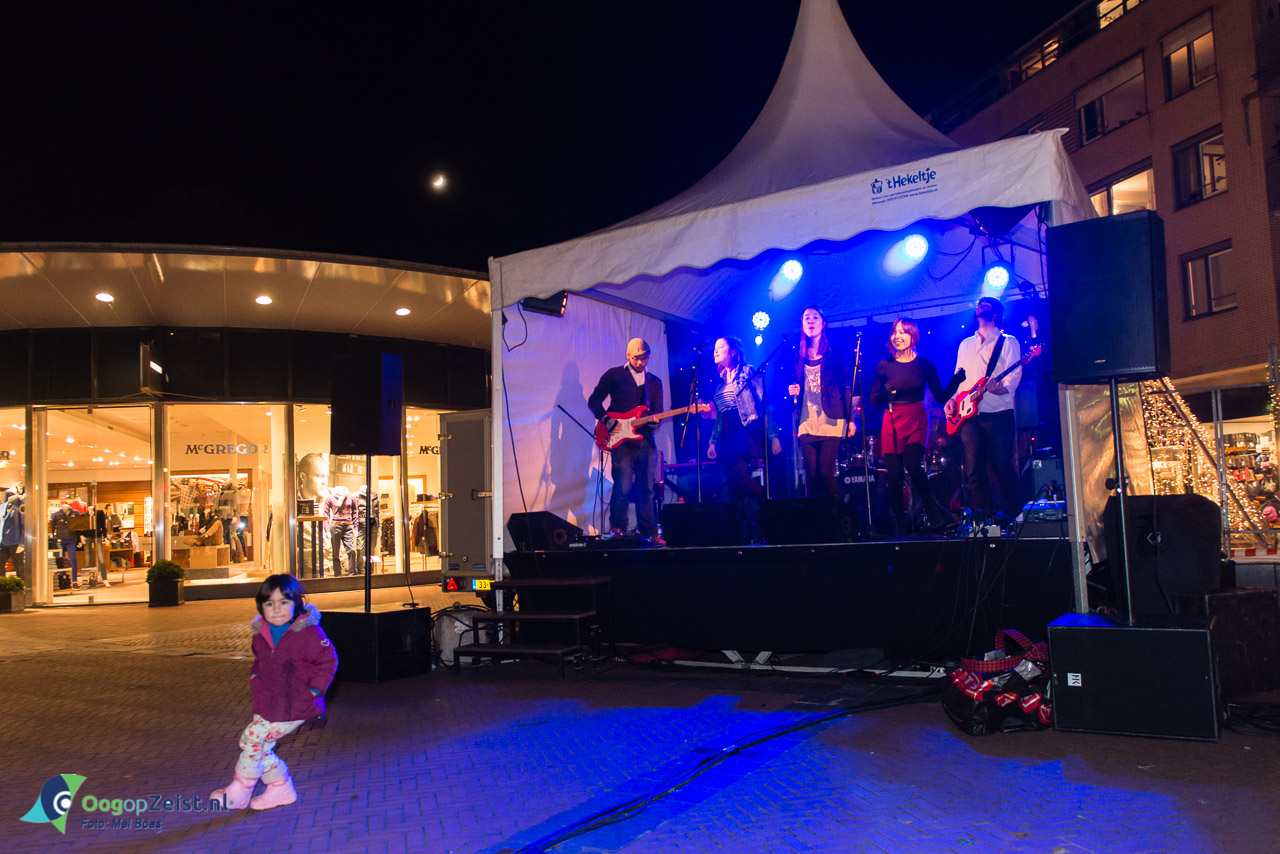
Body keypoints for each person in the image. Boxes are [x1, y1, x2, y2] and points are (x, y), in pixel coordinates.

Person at [210, 575, 338, 811]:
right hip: (268, 702)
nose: (276, 609)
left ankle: (241, 789)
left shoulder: (309, 633)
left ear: (296, 604)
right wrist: (255, 678)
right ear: (262, 607)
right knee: (257, 743)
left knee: (253, 738)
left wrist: (313, 690)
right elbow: (260, 661)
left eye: (284, 602)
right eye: (270, 604)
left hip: (295, 704)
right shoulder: (261, 634)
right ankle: (280, 788)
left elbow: (328, 660)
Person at [869, 318, 965, 535]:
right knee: (894, 475)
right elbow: (873, 398)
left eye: (903, 332)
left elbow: (940, 396)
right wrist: (886, 394)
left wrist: (956, 381)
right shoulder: (884, 365)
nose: (897, 336)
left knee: (913, 465)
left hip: (915, 418)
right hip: (892, 418)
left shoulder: (925, 364)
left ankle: (932, 513)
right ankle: (899, 523)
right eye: (894, 332)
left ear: (913, 335)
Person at [945, 296, 1023, 522]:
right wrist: (951, 399)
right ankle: (984, 519)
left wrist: (1000, 389)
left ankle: (1018, 515)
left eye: (986, 305)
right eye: (980, 305)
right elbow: (959, 377)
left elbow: (1014, 375)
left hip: (999, 413)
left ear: (996, 313)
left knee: (1001, 465)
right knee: (973, 470)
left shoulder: (1008, 342)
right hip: (969, 416)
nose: (981, 307)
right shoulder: (965, 344)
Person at [587, 338, 665, 540]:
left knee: (646, 489)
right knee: (622, 487)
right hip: (621, 441)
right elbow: (594, 399)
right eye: (637, 358)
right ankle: (617, 530)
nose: (641, 362)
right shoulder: (615, 375)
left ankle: (649, 532)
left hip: (645, 441)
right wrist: (606, 419)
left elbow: (657, 411)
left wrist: (655, 422)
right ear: (628, 356)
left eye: (645, 358)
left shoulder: (654, 382)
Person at [707, 336, 782, 520]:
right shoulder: (720, 379)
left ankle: (770, 498)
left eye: (721, 347)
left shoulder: (748, 371)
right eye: (715, 347)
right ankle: (742, 529)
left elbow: (764, 403)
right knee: (733, 485)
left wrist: (773, 435)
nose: (715, 350)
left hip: (745, 429)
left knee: (735, 474)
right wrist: (712, 442)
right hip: (727, 433)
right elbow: (719, 415)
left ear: (733, 351)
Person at [786, 306, 855, 497]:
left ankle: (841, 514)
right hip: (807, 419)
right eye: (806, 318)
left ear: (823, 323)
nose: (810, 321)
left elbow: (845, 386)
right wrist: (793, 389)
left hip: (832, 416)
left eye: (814, 317)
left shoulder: (835, 351)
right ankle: (816, 518)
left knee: (825, 471)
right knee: (812, 473)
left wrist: (851, 418)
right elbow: (794, 381)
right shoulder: (797, 354)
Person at [322, 485, 359, 574]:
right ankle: (337, 573)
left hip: (348, 526)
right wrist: (326, 530)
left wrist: (356, 527)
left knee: (351, 550)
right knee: (335, 552)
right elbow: (326, 514)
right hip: (335, 526)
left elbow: (355, 512)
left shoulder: (350, 497)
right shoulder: (330, 498)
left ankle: (352, 572)